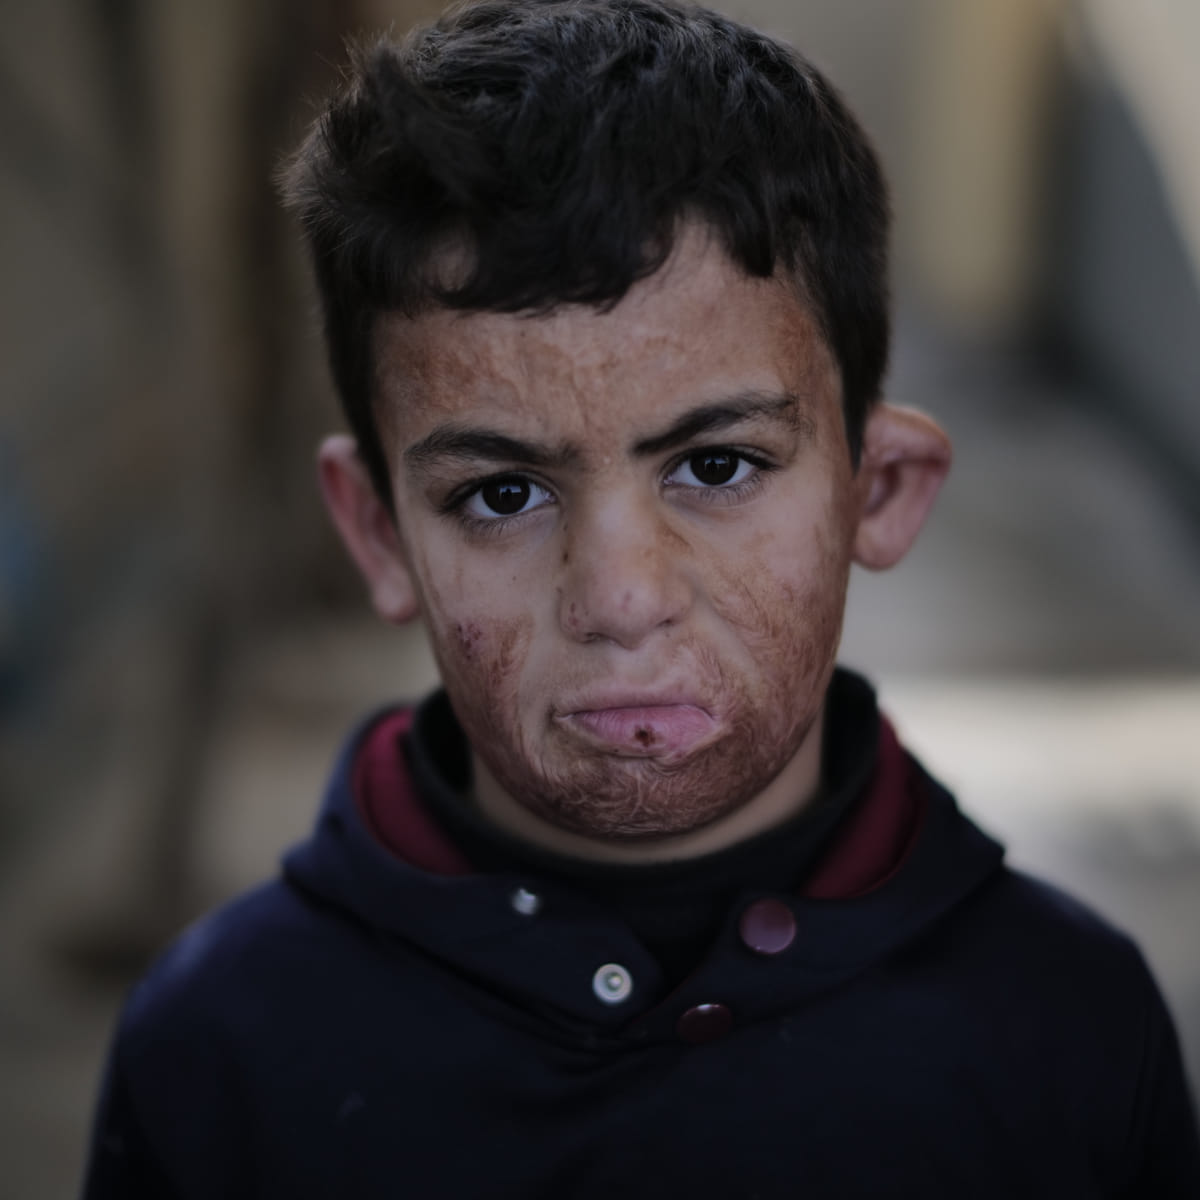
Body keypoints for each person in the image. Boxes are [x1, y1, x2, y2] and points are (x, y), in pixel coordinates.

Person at [81, 1, 1200, 1195]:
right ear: (378, 533)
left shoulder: (1066, 1032)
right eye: (503, 493)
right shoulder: (224, 1053)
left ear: (878, 489)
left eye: (716, 467)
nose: (620, 599)